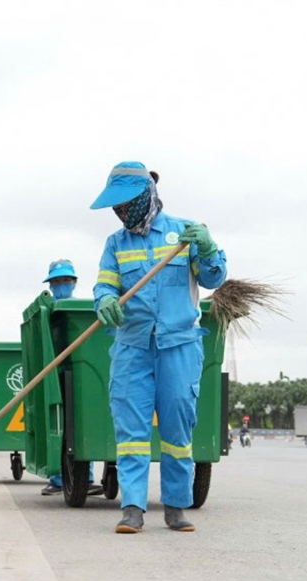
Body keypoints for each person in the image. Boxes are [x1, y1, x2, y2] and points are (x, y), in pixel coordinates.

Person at [91, 161, 227, 533]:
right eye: (115, 207)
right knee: (131, 432)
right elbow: (104, 285)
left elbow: (214, 279)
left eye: (125, 204)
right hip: (132, 347)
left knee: (177, 429)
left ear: (146, 196)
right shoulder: (116, 243)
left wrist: (209, 249)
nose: (120, 212)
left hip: (179, 346)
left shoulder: (185, 233)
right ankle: (132, 508)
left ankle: (175, 507)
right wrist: (104, 301)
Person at [39, 259, 103, 497]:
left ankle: (85, 478)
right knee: (59, 426)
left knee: (82, 423)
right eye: (56, 281)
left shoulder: (83, 310)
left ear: (74, 282)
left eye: (65, 280)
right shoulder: (45, 310)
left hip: (80, 376)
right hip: (53, 376)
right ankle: (57, 478)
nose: (61, 285)